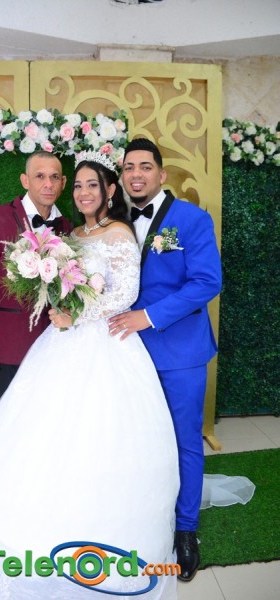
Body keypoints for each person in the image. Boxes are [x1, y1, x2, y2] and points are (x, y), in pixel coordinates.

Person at [0, 151, 180, 599]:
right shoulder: (66, 232)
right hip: (53, 345)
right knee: (36, 436)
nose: (80, 191)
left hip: (103, 346)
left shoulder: (118, 232)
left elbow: (125, 294)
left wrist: (76, 315)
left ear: (109, 190)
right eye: (77, 185)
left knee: (97, 437)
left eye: (89, 184)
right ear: (27, 180)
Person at [109, 138, 222, 582]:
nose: (136, 174)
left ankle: (186, 529)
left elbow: (206, 282)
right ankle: (141, 515)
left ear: (161, 173)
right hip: (125, 352)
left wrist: (149, 316)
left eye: (145, 166)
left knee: (184, 440)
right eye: (129, 167)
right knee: (134, 440)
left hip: (180, 351)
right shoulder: (113, 219)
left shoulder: (192, 219)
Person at [0, 151, 71, 423]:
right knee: (0, 424)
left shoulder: (67, 227)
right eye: (40, 176)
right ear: (25, 180)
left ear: (63, 183)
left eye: (54, 177)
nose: (48, 184)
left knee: (43, 424)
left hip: (51, 349)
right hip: (5, 349)